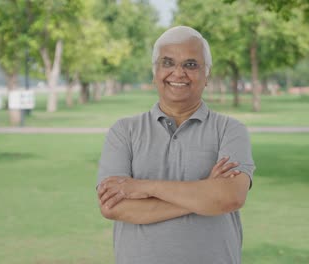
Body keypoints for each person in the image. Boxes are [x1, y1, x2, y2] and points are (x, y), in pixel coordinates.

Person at [96, 26, 255, 264]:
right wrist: (205, 194)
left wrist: (144, 187)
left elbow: (229, 198)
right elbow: (113, 207)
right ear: (155, 72)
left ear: (207, 75)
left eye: (191, 64)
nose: (178, 73)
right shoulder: (124, 132)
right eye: (167, 63)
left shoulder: (230, 131)